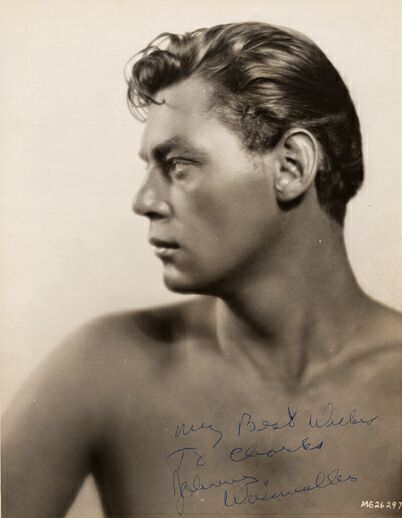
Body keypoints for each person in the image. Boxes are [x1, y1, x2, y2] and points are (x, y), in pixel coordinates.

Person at [2, 21, 401, 518]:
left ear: (292, 166)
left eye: (178, 165)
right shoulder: (103, 370)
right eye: (150, 168)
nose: (144, 201)